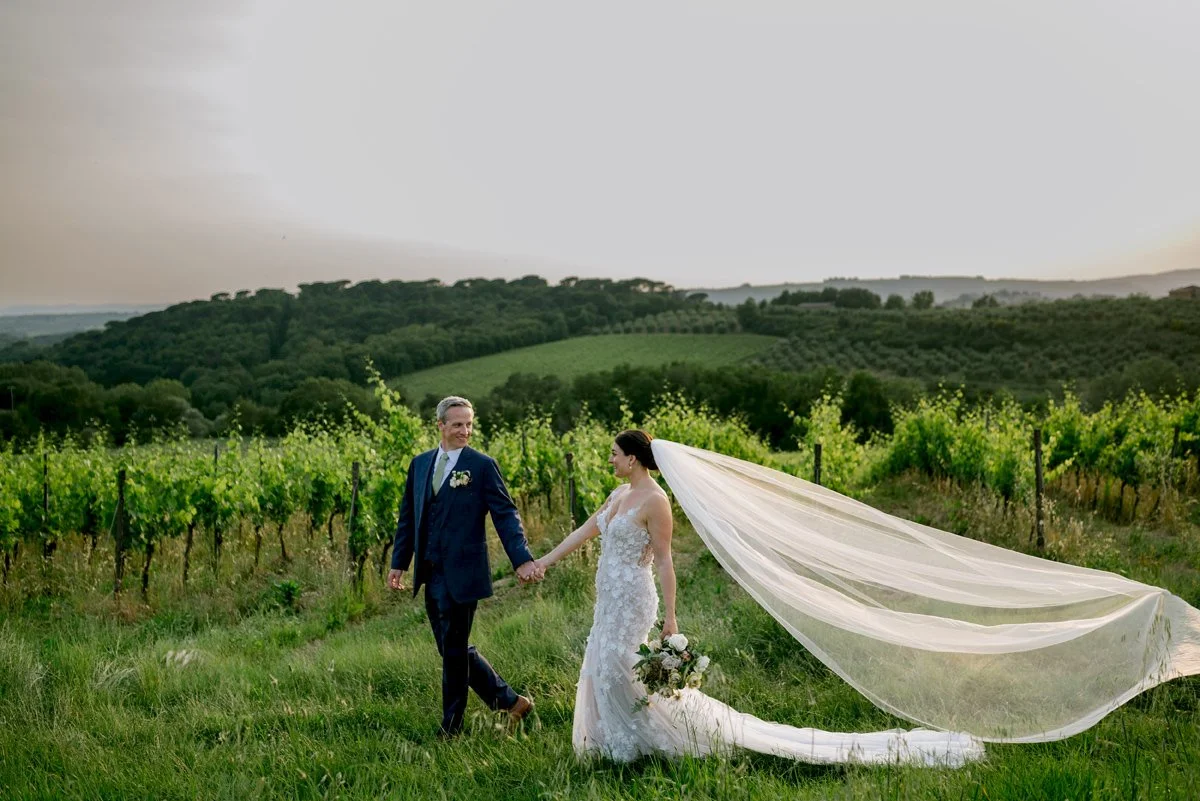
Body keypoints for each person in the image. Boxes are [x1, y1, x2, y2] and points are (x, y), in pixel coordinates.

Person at [533, 430, 985, 765]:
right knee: (602, 663)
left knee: (620, 663)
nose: (609, 459)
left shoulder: (656, 502)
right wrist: (543, 562)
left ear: (633, 458)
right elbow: (584, 532)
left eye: (614, 454)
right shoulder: (617, 496)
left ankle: (650, 741)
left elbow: (667, 561)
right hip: (606, 600)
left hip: (633, 597)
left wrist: (671, 618)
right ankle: (612, 739)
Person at [388, 396, 545, 737]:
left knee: (454, 650)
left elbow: (506, 514)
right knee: (448, 648)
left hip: (464, 570)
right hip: (431, 571)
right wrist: (398, 563)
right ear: (440, 426)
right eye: (457, 424)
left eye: (469, 424)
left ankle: (452, 728)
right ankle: (510, 701)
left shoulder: (481, 466)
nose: (465, 431)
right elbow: (408, 518)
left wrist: (522, 559)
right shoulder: (419, 465)